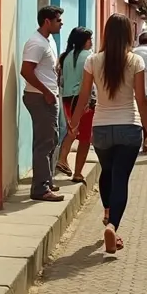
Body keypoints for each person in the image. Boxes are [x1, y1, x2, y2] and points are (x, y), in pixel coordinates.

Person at [78, 14, 147, 253]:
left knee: (107, 172)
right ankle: (112, 226)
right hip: (129, 127)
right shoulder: (135, 61)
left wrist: (73, 123)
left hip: (101, 128)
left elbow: (83, 96)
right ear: (128, 35)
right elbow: (142, 100)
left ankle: (107, 212)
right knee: (120, 179)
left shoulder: (93, 60)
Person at [21, 5, 65, 201]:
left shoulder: (48, 41)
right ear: (47, 21)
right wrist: (46, 92)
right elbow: (26, 71)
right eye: (58, 20)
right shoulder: (36, 43)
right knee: (44, 142)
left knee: (51, 139)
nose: (61, 23)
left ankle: (45, 180)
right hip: (40, 98)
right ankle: (40, 188)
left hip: (48, 96)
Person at [56, 27, 94, 183]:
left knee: (72, 130)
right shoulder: (90, 57)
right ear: (84, 41)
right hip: (82, 99)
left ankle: (62, 159)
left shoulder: (64, 56)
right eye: (89, 39)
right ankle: (78, 172)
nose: (91, 42)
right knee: (85, 137)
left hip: (66, 98)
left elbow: (61, 80)